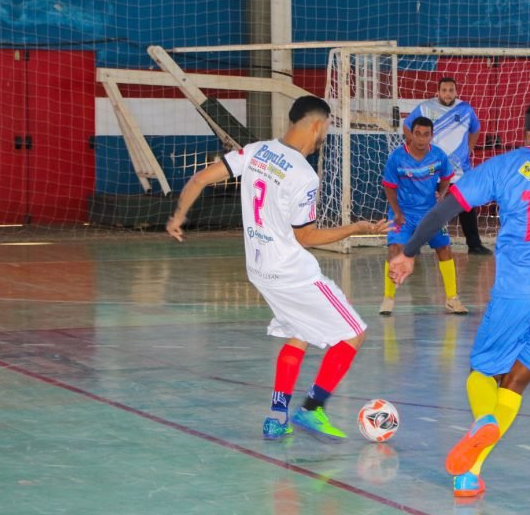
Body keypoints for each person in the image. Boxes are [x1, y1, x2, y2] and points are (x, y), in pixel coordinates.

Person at [389, 89, 530, 498]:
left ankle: (482, 421)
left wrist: (408, 252)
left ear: (527, 130)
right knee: (515, 383)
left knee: (483, 372)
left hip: (517, 290)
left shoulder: (503, 166)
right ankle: (470, 474)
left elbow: (444, 210)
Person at [166, 95, 390, 441]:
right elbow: (306, 237)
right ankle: (312, 409)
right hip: (291, 271)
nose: (325, 134)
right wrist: (356, 228)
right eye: (327, 127)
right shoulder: (303, 174)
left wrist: (177, 217)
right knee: (354, 333)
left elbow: (199, 179)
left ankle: (276, 416)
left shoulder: (256, 151)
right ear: (317, 124)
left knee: (300, 332)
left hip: (259, 269)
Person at [380, 116, 468, 316]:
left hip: (431, 213)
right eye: (417, 134)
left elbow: (446, 177)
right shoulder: (397, 157)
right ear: (410, 134)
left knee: (444, 249)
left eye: (426, 135)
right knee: (395, 249)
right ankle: (388, 298)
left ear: (431, 136)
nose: (421, 139)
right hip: (403, 212)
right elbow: (389, 187)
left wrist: (442, 194)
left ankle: (452, 299)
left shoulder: (438, 156)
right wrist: (397, 211)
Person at [404, 76, 492, 255]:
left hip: (459, 169)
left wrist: (469, 149)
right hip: (433, 169)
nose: (447, 94)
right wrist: (416, 146)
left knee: (467, 205)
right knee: (425, 206)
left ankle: (474, 244)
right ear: (438, 91)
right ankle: (414, 245)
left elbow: (475, 129)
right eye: (444, 90)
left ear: (456, 91)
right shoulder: (425, 108)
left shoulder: (465, 109)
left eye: (451, 90)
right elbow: (407, 125)